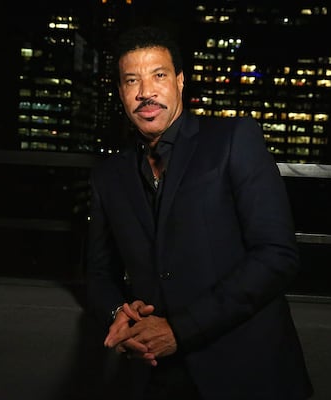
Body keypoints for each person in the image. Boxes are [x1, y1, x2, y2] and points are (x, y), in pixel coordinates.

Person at [85, 25, 313, 400]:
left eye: (158, 76)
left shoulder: (233, 139)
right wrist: (118, 313)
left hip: (247, 371)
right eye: (132, 81)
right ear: (121, 92)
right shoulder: (108, 175)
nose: (145, 92)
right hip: (156, 375)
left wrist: (180, 329)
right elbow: (98, 273)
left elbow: (277, 255)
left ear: (179, 81)